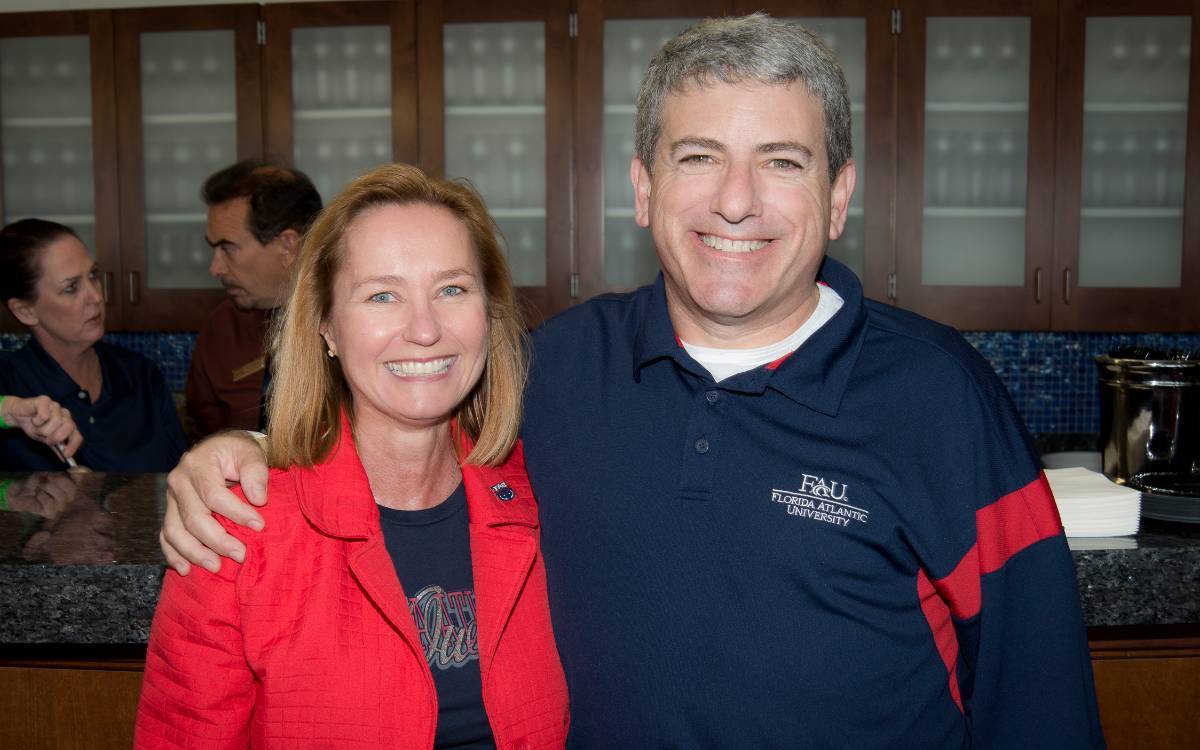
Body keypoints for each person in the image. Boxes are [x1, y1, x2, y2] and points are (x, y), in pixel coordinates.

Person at [159, 15, 1104, 749]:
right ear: (644, 188)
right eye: (699, 158)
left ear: (841, 193)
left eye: (783, 161)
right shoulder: (554, 367)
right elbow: (405, 414)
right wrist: (239, 448)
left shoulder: (941, 396)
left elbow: (1039, 696)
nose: (737, 200)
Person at [135, 165, 569, 749]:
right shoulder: (236, 532)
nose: (424, 328)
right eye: (382, 295)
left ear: (488, 315)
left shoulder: (547, 489)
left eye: (452, 289)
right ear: (327, 328)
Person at [0, 219, 185, 472]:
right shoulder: (9, 385)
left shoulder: (141, 375)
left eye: (93, 275)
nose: (97, 296)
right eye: (71, 288)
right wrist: (21, 498)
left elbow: (182, 477)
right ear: (25, 311)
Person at [186, 160, 322, 437]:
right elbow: (205, 439)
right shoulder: (222, 329)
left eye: (227, 248)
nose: (215, 268)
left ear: (288, 246)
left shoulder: (355, 324)